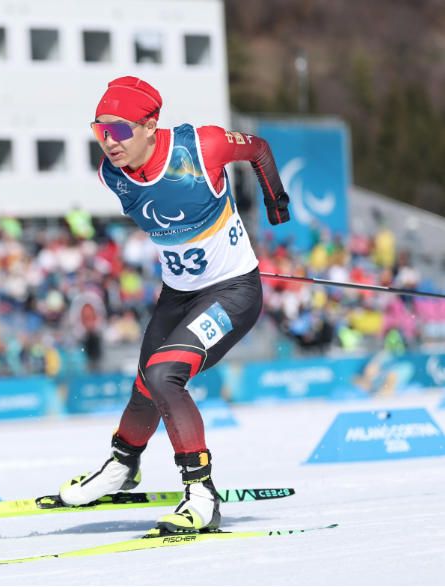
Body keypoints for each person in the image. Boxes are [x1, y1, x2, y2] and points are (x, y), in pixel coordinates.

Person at [59, 76, 291, 533]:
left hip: (233, 293)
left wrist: (275, 204)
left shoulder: (201, 147)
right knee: (146, 383)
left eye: (120, 129)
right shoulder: (111, 174)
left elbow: (259, 149)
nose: (109, 141)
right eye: (100, 130)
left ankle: (202, 494)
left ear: (150, 126)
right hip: (178, 295)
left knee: (166, 375)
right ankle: (122, 467)